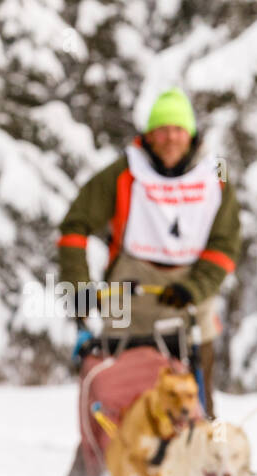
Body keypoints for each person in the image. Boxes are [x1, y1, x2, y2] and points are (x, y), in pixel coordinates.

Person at [58, 87, 241, 416]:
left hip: (192, 282)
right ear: (149, 136)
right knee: (119, 376)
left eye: (178, 129)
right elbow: (75, 225)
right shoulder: (125, 171)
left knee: (198, 369)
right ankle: (111, 446)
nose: (170, 138)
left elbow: (225, 244)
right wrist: (79, 291)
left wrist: (195, 288)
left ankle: (201, 438)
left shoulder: (217, 174)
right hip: (131, 282)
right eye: (162, 130)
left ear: (191, 135)